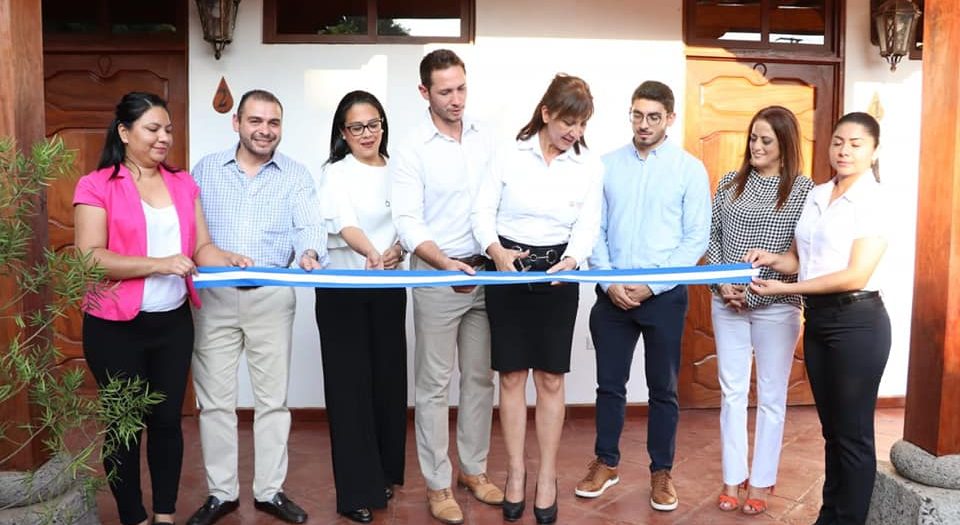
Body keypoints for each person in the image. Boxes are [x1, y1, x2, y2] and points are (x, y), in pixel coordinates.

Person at [73, 92, 251, 525]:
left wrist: (227, 258)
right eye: (152, 129)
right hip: (114, 327)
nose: (164, 138)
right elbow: (90, 258)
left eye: (168, 129)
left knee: (168, 422)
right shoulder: (96, 185)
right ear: (124, 132)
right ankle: (133, 516)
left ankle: (165, 514)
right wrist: (159, 264)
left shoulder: (183, 183)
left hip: (172, 324)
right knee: (125, 425)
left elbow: (200, 247)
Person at [185, 89, 326, 525]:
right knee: (215, 402)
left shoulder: (296, 174)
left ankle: (269, 491)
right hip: (214, 298)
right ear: (237, 123)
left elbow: (310, 226)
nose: (265, 130)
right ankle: (221, 493)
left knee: (272, 402)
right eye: (256, 121)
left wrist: (309, 253)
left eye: (273, 122)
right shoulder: (206, 170)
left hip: (271, 296)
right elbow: (191, 230)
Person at [747, 112, 890, 525]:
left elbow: (855, 274)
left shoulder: (874, 200)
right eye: (838, 142)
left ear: (874, 151)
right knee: (832, 431)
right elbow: (802, 260)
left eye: (856, 144)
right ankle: (830, 517)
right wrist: (773, 260)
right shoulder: (818, 193)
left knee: (853, 435)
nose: (844, 151)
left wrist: (784, 290)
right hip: (820, 320)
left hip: (858, 322)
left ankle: (849, 519)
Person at [472, 74, 603, 524]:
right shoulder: (509, 154)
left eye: (582, 124)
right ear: (546, 113)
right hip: (507, 270)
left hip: (558, 276)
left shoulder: (588, 165)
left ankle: (546, 476)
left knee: (550, 378)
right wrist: (495, 252)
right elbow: (482, 211)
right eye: (568, 122)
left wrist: (574, 258)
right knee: (511, 376)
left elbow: (588, 223)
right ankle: (515, 472)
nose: (574, 132)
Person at [578, 81, 711, 512]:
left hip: (664, 297)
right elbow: (593, 230)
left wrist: (653, 285)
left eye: (654, 116)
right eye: (637, 115)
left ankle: (661, 471)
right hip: (612, 295)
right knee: (609, 386)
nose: (644, 124)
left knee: (663, 389)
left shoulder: (689, 169)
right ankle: (606, 462)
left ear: (670, 118)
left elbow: (696, 238)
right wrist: (609, 283)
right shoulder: (606, 165)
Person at [390, 49, 504, 525]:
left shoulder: (486, 137)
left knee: (479, 379)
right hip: (437, 275)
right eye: (445, 91)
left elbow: (497, 200)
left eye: (461, 88)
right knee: (434, 385)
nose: (456, 99)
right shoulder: (411, 148)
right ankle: (438, 483)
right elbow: (407, 219)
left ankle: (473, 470)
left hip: (484, 274)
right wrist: (444, 262)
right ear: (424, 92)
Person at [706, 106, 814, 515]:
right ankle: (732, 477)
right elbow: (712, 237)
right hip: (726, 302)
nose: (756, 146)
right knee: (732, 392)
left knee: (771, 395)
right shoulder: (729, 183)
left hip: (777, 305)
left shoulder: (803, 190)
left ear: (785, 146)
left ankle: (762, 479)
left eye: (766, 140)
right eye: (753, 138)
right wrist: (722, 284)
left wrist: (756, 292)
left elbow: (802, 254)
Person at [313, 90, 407, 524]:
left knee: (387, 383)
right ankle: (355, 492)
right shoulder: (335, 172)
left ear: (383, 125)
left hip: (388, 286)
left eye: (373, 124)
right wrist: (372, 252)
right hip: (343, 290)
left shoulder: (399, 170)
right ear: (343, 133)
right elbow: (347, 224)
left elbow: (410, 221)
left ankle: (382, 475)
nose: (367, 133)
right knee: (350, 389)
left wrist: (398, 250)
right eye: (357, 127)